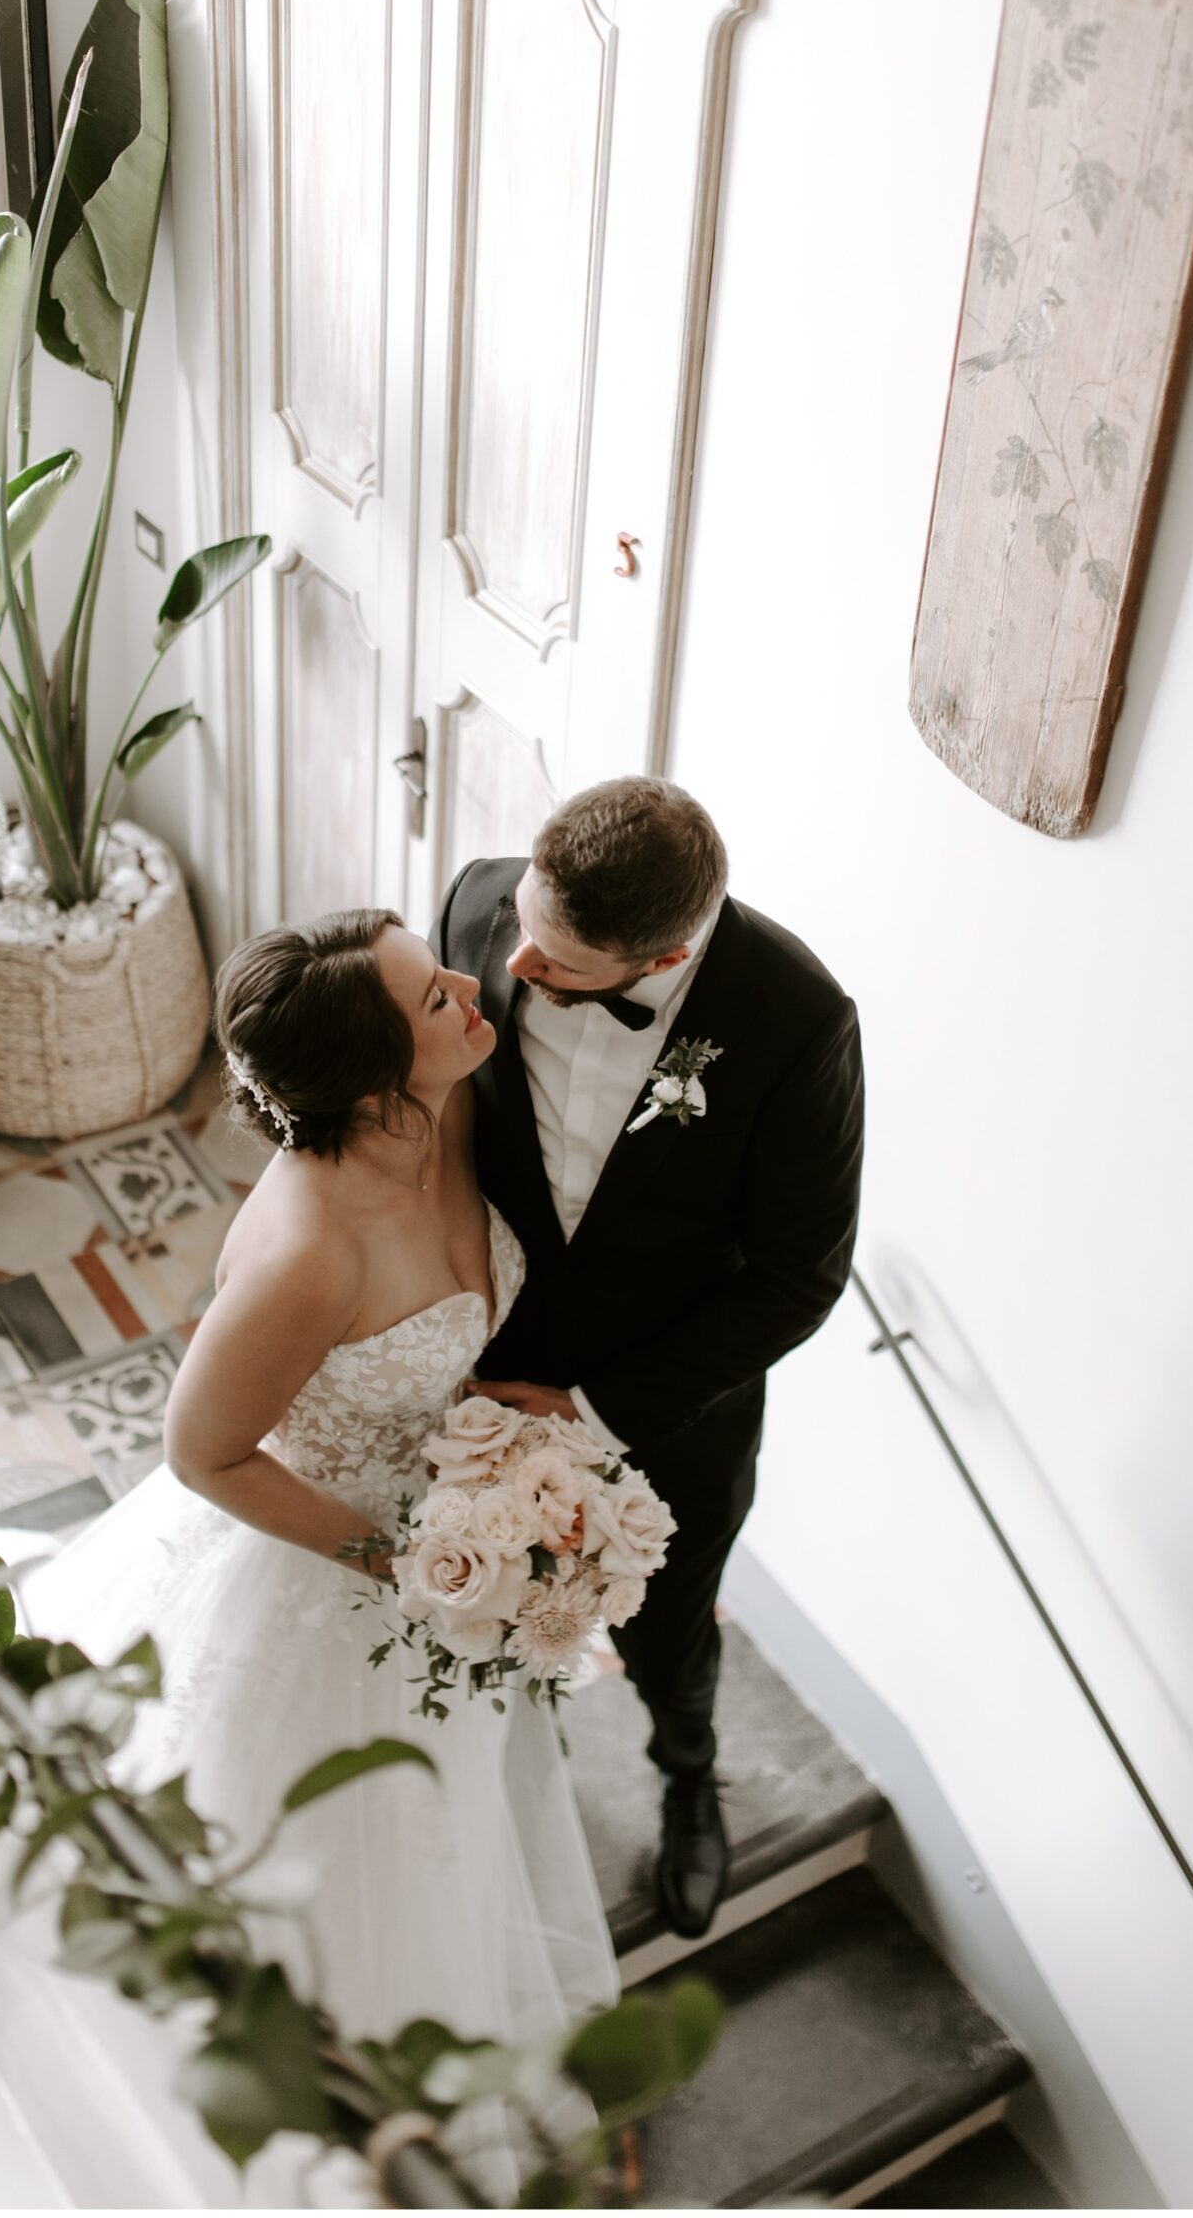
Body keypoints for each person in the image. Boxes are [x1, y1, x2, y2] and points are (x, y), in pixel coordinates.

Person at [13, 907, 617, 2085]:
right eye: (429, 996)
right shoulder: (306, 1250)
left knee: (442, 1832)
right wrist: (396, 1560)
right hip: (328, 1553)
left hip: (452, 1534)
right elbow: (203, 1453)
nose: (463, 981)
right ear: (364, 1077)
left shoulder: (441, 1117)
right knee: (333, 1854)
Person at [430, 779, 865, 1940]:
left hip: (666, 1410)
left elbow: (797, 1277)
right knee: (458, 1595)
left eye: (558, 959)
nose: (514, 961)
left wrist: (593, 1412)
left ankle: (686, 1777)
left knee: (667, 1631)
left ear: (665, 952)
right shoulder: (479, 902)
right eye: (522, 923)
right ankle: (489, 1789)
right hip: (477, 1366)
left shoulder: (794, 1018)